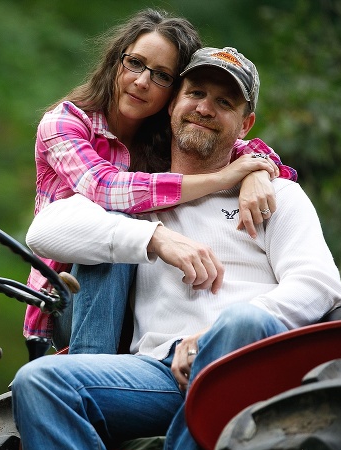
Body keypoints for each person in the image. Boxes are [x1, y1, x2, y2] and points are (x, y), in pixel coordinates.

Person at [12, 46, 341, 450]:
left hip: (247, 367)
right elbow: (45, 231)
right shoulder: (137, 195)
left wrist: (213, 337)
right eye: (195, 93)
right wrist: (153, 237)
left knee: (242, 324)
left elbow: (320, 284)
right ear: (173, 103)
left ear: (246, 125)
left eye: (225, 102)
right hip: (157, 375)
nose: (205, 108)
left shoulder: (277, 196)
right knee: (39, 382)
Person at [23, 9, 298, 353]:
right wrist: (220, 179)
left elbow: (240, 147)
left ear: (174, 94)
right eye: (135, 63)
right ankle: (90, 368)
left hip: (142, 295)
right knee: (117, 221)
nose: (142, 81)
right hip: (70, 293)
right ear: (116, 61)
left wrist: (256, 171)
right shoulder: (65, 123)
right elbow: (104, 189)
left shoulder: (166, 138)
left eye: (162, 76)